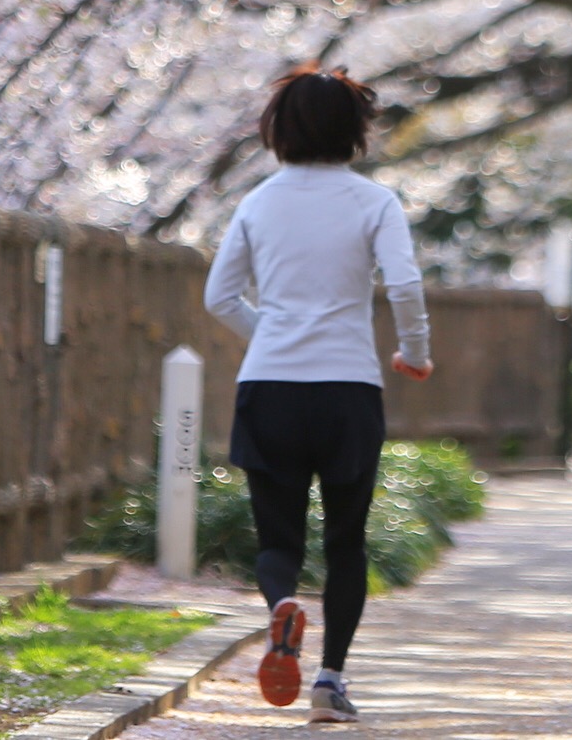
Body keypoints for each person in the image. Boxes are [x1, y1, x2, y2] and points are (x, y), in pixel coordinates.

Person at [203, 67, 432, 727]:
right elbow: (407, 284)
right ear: (355, 130)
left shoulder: (258, 202)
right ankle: (330, 681)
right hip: (347, 388)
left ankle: (281, 606)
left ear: (278, 129)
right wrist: (413, 354)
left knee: (279, 541)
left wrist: (271, 333)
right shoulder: (374, 202)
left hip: (270, 386)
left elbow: (218, 297)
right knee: (347, 542)